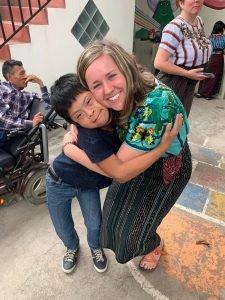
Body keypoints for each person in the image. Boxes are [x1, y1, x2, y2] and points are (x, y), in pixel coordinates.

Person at [63, 39, 192, 271]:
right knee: (110, 222)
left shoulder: (155, 108)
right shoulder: (127, 87)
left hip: (165, 167)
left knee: (133, 235)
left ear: (126, 67)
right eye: (96, 86)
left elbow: (119, 171)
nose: (108, 90)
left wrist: (70, 149)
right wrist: (78, 121)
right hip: (133, 156)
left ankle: (154, 244)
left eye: (112, 76)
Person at [154, 0, 212, 116]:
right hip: (173, 82)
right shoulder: (174, 27)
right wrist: (187, 73)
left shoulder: (199, 22)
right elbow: (159, 63)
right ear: (181, 3)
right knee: (168, 122)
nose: (197, 1)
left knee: (181, 121)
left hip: (190, 81)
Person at [0, 59, 50, 146]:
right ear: (10, 77)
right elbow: (1, 120)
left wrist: (40, 83)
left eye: (25, 73)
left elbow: (46, 106)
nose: (26, 76)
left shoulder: (24, 96)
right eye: (22, 73)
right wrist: (30, 123)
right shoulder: (4, 90)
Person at [197, 20, 225, 100]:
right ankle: (207, 94)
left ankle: (200, 92)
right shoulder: (223, 38)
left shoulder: (209, 38)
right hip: (217, 58)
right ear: (221, 29)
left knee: (205, 74)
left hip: (208, 57)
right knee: (214, 75)